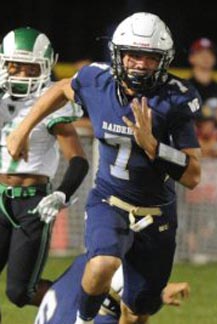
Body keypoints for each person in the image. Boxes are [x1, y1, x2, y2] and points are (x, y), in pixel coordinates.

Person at [6, 12, 202, 324]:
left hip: (157, 213)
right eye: (133, 55)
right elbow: (59, 89)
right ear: (118, 55)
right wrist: (23, 128)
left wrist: (154, 147)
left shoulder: (174, 100)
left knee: (139, 309)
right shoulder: (96, 81)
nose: (139, 64)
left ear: (163, 60)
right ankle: (82, 321)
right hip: (109, 200)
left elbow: (193, 175)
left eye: (149, 57)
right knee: (101, 264)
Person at [0, 27, 88, 320]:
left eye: (30, 67)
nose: (21, 73)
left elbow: (78, 160)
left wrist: (62, 193)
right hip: (0, 198)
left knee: (20, 292)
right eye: (15, 65)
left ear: (46, 66)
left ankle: (88, 303)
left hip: (32, 204)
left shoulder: (53, 102)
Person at [34, 254, 190, 324]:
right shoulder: (103, 320)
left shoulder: (83, 264)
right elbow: (134, 315)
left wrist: (157, 294)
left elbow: (107, 276)